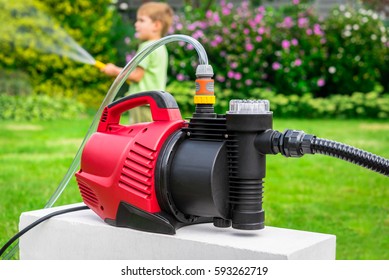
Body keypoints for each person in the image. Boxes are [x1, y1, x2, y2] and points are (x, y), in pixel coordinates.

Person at [101, 2, 174, 122]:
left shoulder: (147, 46)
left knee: (139, 136)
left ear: (156, 25)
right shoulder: (161, 47)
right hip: (154, 102)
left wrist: (114, 71)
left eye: (141, 20)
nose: (136, 25)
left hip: (142, 102)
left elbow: (137, 75)